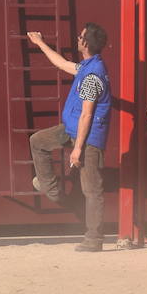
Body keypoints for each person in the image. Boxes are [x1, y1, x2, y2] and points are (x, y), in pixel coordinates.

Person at [27, 25, 112, 252]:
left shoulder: (93, 75)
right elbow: (62, 64)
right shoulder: (88, 66)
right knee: (38, 141)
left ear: (85, 44)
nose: (77, 38)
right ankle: (51, 188)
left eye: (80, 36)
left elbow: (87, 114)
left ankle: (94, 239)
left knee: (92, 189)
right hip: (72, 129)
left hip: (88, 137)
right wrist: (40, 43)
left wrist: (77, 149)